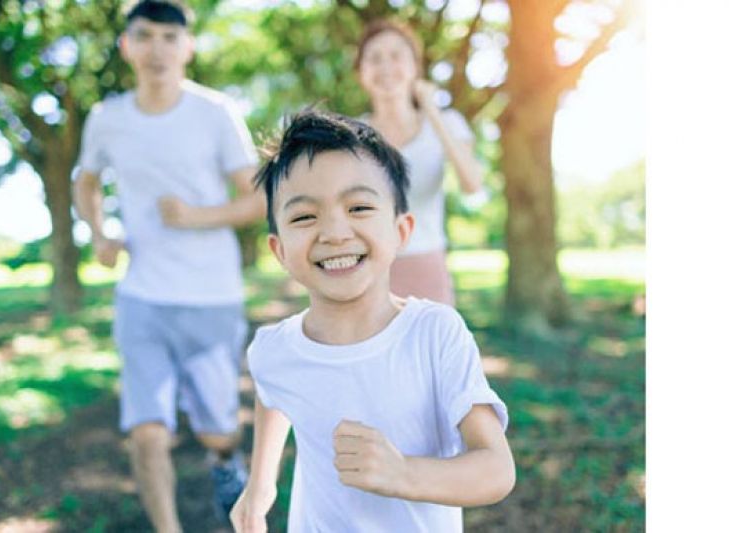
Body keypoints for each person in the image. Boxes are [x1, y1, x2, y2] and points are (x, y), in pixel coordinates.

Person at [230, 109, 514, 532]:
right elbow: (272, 391)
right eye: (304, 216)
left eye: (359, 207)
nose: (334, 232)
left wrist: (403, 473)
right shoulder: (273, 348)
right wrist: (259, 484)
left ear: (402, 231)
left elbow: (496, 469)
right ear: (280, 250)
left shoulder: (434, 333)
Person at [72, 1, 265, 531]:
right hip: (142, 297)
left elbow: (258, 199)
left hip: (212, 296)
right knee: (147, 431)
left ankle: (224, 459)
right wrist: (99, 233)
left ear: (188, 47)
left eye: (169, 37)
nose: (157, 48)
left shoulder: (215, 112)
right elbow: (85, 181)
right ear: (126, 46)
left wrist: (196, 216)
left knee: (217, 428)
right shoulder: (107, 118)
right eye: (144, 36)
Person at [354, 19, 485, 305]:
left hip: (427, 266)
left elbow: (473, 184)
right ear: (360, 72)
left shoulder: (448, 122)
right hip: (366, 272)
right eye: (374, 58)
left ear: (415, 67)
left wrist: (432, 111)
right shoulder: (351, 135)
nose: (386, 67)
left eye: (396, 56)